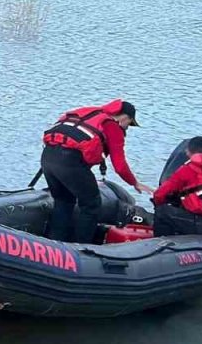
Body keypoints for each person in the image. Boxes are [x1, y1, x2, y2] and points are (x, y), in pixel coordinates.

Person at [40, 99, 154, 243]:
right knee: (91, 204)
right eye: (129, 123)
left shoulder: (87, 114)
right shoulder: (112, 127)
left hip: (48, 158)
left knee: (63, 201)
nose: (127, 128)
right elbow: (119, 165)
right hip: (70, 163)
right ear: (125, 117)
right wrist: (135, 183)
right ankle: (82, 246)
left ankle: (54, 243)